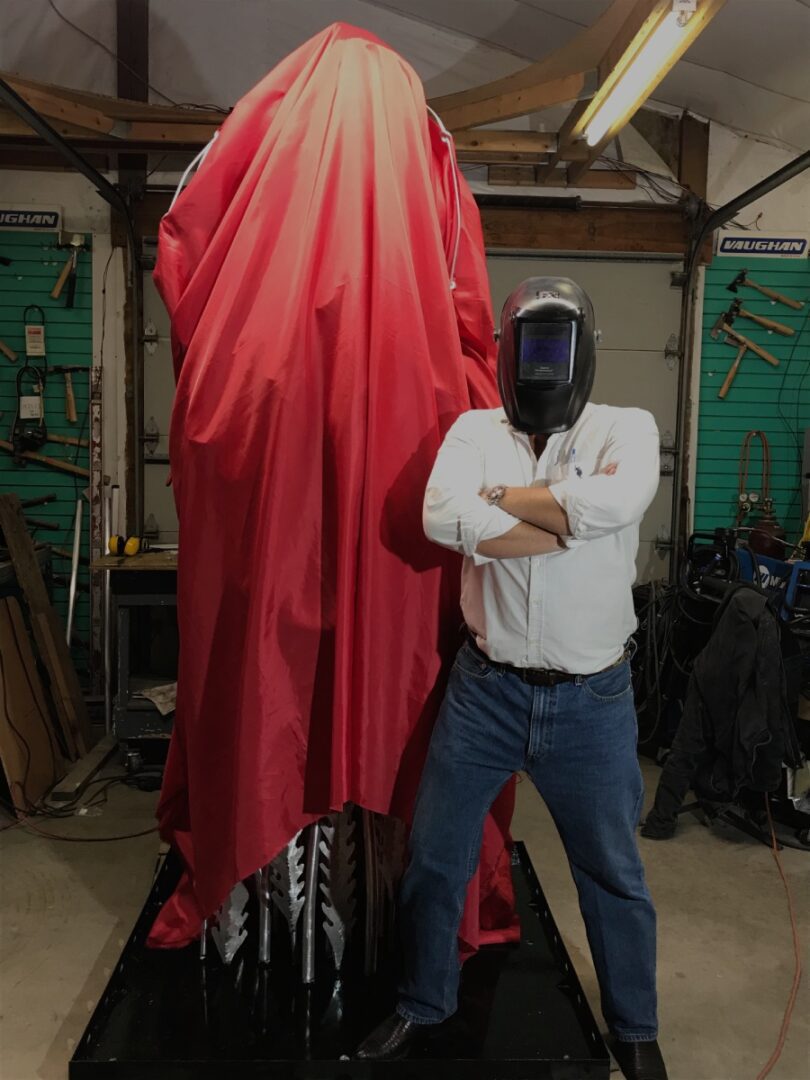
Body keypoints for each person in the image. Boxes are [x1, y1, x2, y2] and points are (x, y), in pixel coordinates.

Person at [356, 278, 667, 1080]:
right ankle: (425, 1001)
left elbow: (619, 501)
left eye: (555, 350)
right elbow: (439, 516)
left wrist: (501, 505)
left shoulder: (626, 428)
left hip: (591, 702)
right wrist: (562, 520)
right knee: (435, 857)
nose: (540, 370)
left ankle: (634, 1025)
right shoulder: (471, 430)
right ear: (503, 356)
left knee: (611, 874)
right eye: (527, 350)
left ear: (584, 353)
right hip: (485, 692)